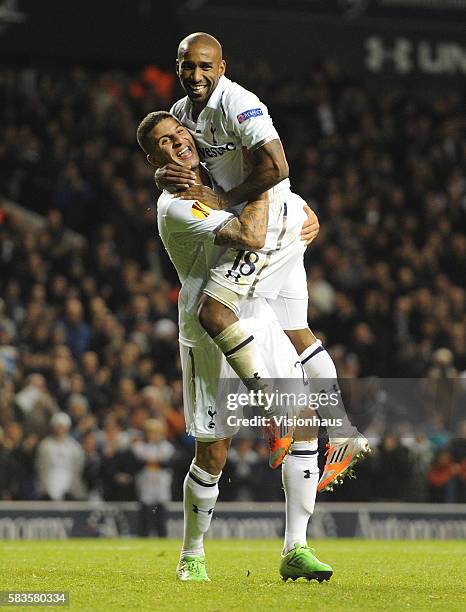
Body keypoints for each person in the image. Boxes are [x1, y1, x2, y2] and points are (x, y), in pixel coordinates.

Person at [155, 32, 369, 493]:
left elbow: (277, 165)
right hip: (282, 220)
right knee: (296, 334)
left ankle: (278, 416)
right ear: (177, 67)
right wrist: (160, 172)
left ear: (222, 67)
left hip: (267, 227)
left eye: (205, 67)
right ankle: (345, 431)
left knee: (216, 311)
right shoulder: (180, 114)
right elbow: (185, 158)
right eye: (187, 67)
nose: (196, 75)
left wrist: (227, 200)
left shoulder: (240, 103)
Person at [137, 111, 333, 583]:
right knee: (214, 452)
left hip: (258, 310)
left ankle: (296, 548)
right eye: (162, 144)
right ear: (153, 160)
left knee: (303, 423)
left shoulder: (220, 173)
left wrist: (306, 213)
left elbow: (283, 204)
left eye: (177, 133)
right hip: (208, 327)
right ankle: (193, 552)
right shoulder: (177, 205)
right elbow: (251, 235)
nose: (176, 144)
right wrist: (265, 180)